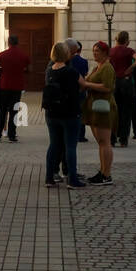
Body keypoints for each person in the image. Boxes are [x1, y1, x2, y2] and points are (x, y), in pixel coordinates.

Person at [42, 42, 84, 189]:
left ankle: (49, 178)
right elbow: (83, 84)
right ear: (67, 54)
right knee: (70, 146)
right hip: (70, 113)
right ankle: (72, 179)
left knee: (54, 145)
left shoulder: (49, 71)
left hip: (51, 113)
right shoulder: (71, 71)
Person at [80, 41, 117, 185]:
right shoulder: (97, 67)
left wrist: (87, 84)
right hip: (95, 107)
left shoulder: (107, 67)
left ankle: (106, 174)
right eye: (94, 50)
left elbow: (107, 87)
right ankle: (102, 171)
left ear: (105, 53)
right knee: (101, 142)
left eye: (98, 51)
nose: (95, 53)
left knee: (105, 142)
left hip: (104, 108)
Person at [0, 35, 28, 143]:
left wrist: (2, 71)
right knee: (14, 111)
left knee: (2, 111)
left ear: (8, 43)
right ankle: (12, 135)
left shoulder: (2, 55)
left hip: (4, 86)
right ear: (18, 43)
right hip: (17, 87)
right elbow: (28, 68)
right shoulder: (23, 55)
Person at [109, 30, 136, 147]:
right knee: (126, 112)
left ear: (116, 39)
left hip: (114, 83)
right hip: (126, 82)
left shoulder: (111, 51)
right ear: (127, 40)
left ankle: (112, 139)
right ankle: (123, 140)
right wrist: (130, 68)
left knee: (114, 112)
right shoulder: (129, 51)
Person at [64, 38, 90, 142]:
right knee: (81, 112)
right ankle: (81, 135)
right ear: (80, 50)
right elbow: (85, 73)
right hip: (81, 89)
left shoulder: (67, 61)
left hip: (69, 90)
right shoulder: (84, 61)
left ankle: (70, 133)